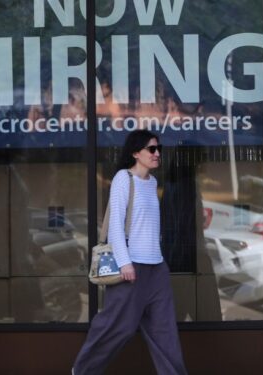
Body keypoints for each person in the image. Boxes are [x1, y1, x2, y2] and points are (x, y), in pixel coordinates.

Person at [73, 129, 187, 375]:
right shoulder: (123, 179)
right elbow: (115, 224)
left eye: (159, 149)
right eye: (151, 149)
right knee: (117, 326)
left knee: (164, 330)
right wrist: (124, 263)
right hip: (131, 266)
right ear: (136, 153)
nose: (157, 154)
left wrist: (159, 260)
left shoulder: (153, 182)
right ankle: (82, 371)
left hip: (156, 267)